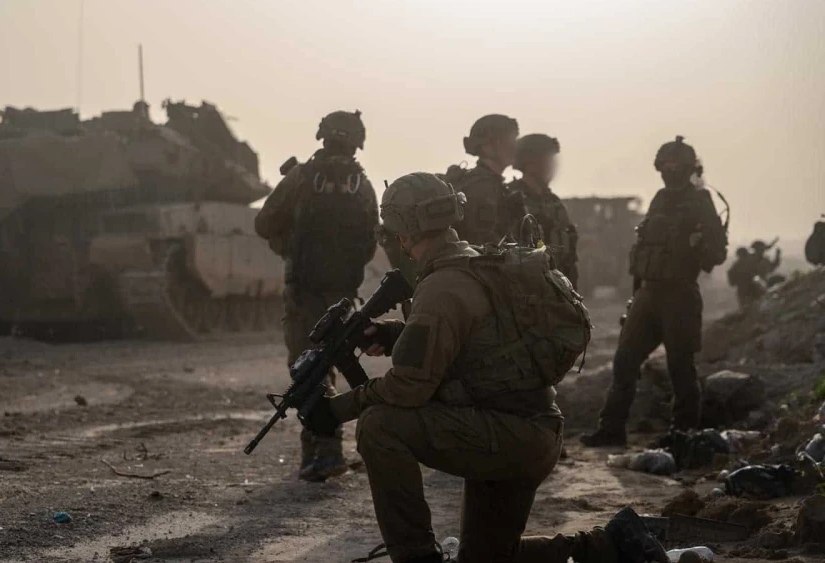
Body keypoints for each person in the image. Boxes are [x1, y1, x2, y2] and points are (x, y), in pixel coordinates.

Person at [301, 172, 669, 563]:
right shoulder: (476, 260)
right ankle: (611, 545)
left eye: (393, 232)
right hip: (528, 429)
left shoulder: (441, 286)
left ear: (405, 230)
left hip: (507, 434)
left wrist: (335, 411)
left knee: (379, 424)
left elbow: (409, 388)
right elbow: (477, 341)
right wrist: (395, 334)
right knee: (486, 559)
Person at [254, 110, 379, 481]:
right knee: (331, 364)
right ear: (358, 141)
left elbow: (263, 224)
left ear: (322, 136)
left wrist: (289, 246)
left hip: (302, 290)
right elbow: (370, 244)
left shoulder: (301, 177)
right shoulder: (364, 185)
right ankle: (328, 449)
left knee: (307, 366)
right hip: (343, 291)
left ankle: (321, 453)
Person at [582, 136, 728, 447]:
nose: (669, 171)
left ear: (689, 168)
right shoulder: (660, 199)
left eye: (675, 166)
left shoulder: (700, 202)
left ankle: (683, 434)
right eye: (665, 166)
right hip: (647, 294)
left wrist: (700, 243)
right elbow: (643, 251)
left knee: (680, 366)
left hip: (680, 295)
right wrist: (634, 299)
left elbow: (717, 254)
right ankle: (611, 429)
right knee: (624, 361)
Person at [508, 133, 580, 288]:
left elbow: (569, 255)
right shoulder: (512, 200)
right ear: (530, 163)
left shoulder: (554, 203)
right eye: (547, 160)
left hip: (558, 288)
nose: (552, 166)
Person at [452, 114, 526, 246]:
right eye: (508, 142)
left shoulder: (493, 183)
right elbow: (484, 244)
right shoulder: (482, 187)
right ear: (488, 146)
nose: (514, 148)